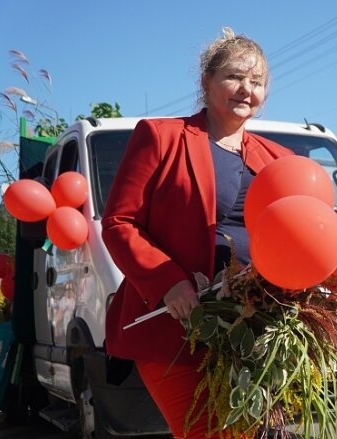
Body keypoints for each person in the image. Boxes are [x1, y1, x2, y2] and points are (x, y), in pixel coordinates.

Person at [101, 28, 294, 438]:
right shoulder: (160, 137)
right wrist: (168, 283)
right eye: (234, 76)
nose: (246, 89)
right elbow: (120, 223)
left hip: (254, 331)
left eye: (257, 82)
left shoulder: (282, 159)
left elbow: (301, 235)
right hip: (176, 328)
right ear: (206, 81)